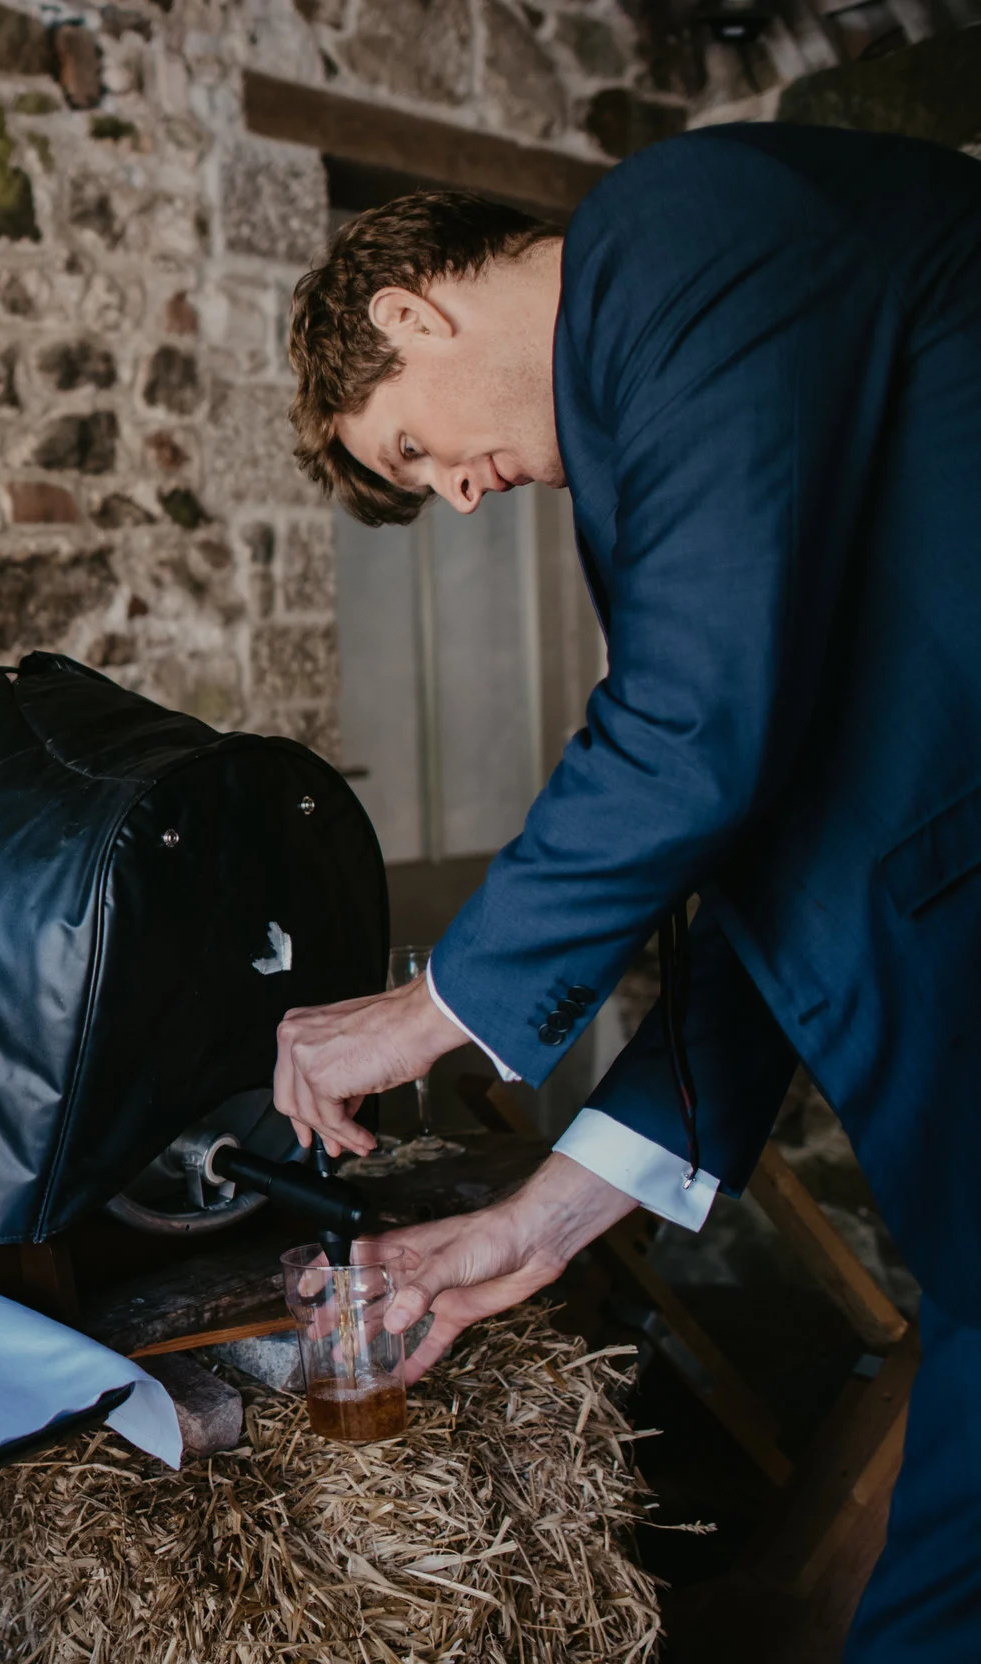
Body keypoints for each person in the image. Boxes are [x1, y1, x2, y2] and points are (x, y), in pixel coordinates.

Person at [271, 122, 981, 1659]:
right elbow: (767, 834)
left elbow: (698, 736)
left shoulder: (682, 230)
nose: (457, 496)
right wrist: (543, 1218)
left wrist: (425, 1011)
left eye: (409, 449)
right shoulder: (686, 386)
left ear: (409, 310)